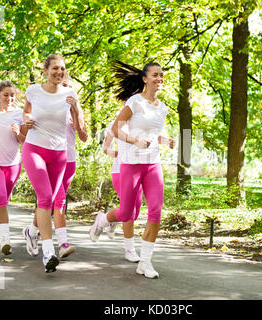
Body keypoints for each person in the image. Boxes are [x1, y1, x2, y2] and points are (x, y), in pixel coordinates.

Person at [90, 61, 175, 278]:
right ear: (145, 79)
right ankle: (102, 220)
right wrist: (134, 140)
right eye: (155, 75)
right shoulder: (135, 102)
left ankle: (145, 262)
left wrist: (167, 141)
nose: (159, 78)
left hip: (152, 164)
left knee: (156, 211)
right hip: (131, 164)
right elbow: (117, 127)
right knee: (128, 212)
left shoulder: (162, 107)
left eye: (162, 75)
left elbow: (156, 134)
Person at [21, 54, 85, 273]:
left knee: (47, 201)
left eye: (63, 69)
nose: (59, 72)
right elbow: (26, 112)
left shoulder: (70, 94)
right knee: (46, 198)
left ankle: (31, 232)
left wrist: (76, 109)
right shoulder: (33, 91)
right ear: (45, 70)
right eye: (55, 68)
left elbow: (79, 127)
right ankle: (48, 252)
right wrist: (27, 119)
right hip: (34, 148)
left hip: (59, 154)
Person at [0, 80, 27, 255]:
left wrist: (17, 133)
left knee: (4, 201)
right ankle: (5, 240)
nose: (9, 98)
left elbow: (24, 141)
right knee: (0, 197)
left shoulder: (20, 114)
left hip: (13, 164)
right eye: (5, 95)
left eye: (12, 95)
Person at [51, 76, 87, 258]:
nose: (67, 89)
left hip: (70, 161)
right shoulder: (50, 107)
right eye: (63, 85)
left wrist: (76, 121)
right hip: (52, 159)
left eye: (70, 86)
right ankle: (62, 243)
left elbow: (84, 137)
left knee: (52, 201)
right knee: (59, 201)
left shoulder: (77, 110)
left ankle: (32, 231)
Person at [102, 119, 142, 263]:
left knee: (135, 213)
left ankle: (107, 219)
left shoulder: (143, 122)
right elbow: (105, 148)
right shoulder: (117, 124)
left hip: (139, 171)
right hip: (120, 172)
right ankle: (129, 250)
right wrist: (118, 154)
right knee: (129, 213)